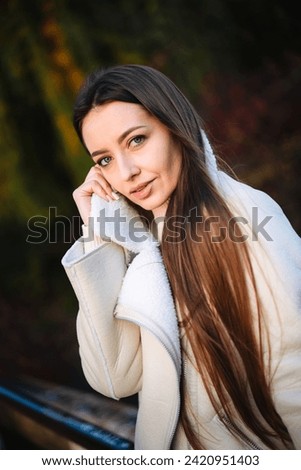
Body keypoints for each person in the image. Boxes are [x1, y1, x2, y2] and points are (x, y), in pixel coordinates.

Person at [62, 64, 301, 450]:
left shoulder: (245, 219)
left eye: (137, 140)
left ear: (175, 127)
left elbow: (295, 378)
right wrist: (98, 234)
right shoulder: (145, 245)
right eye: (104, 159)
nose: (127, 172)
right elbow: (115, 378)